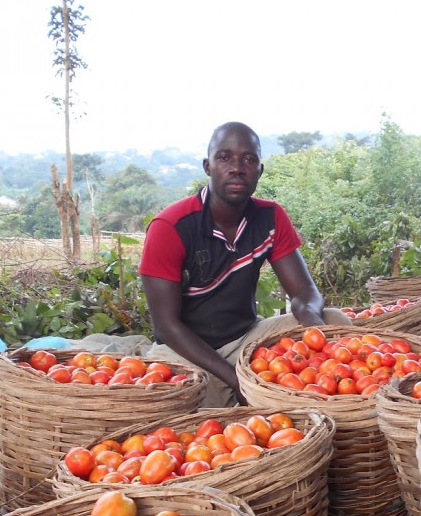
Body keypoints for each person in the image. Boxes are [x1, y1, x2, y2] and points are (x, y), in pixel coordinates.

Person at [139, 121, 350, 407]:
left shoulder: (270, 217)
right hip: (188, 350)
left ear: (259, 171)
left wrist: (312, 323)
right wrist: (236, 379)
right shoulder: (171, 226)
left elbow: (303, 291)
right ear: (208, 166)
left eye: (248, 159)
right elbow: (166, 326)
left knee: (335, 321)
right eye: (224, 157)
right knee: (197, 410)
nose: (237, 168)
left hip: (246, 338)